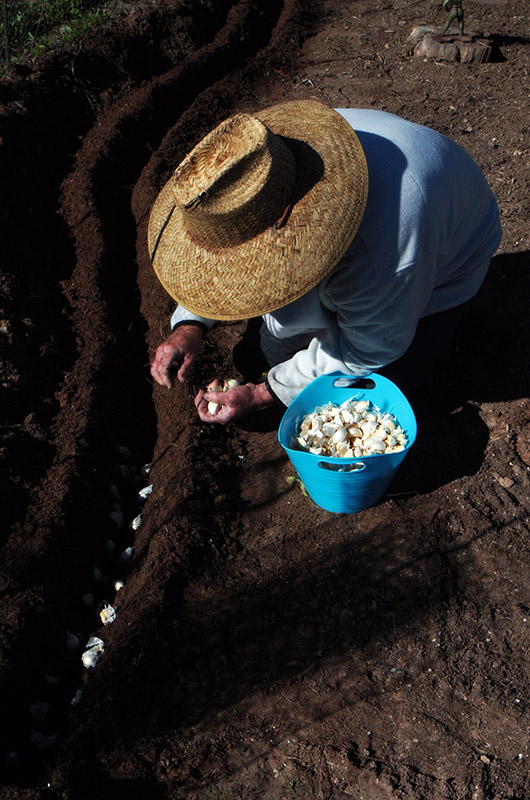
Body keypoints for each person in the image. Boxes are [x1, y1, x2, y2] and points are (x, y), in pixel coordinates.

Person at [148, 100, 501, 424]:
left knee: (372, 403)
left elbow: (367, 349)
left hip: (446, 264)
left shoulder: (383, 252)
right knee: (260, 354)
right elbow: (221, 253)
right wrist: (189, 326)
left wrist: (263, 394)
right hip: (404, 221)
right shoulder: (261, 166)